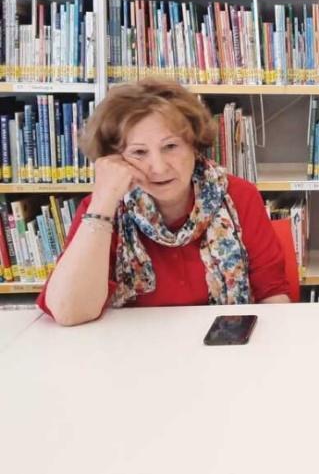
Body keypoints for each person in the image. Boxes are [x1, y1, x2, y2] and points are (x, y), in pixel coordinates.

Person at [39, 78, 290, 326]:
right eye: (139, 152)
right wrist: (102, 205)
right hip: (132, 347)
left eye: (170, 146)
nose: (158, 168)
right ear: (115, 159)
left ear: (194, 145)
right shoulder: (102, 208)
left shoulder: (238, 196)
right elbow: (69, 312)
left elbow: (272, 296)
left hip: (221, 344)